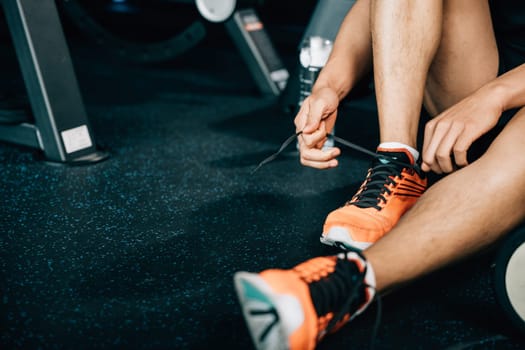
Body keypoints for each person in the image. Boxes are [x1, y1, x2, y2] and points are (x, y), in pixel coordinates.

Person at [233, 0, 525, 349]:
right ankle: (397, 164)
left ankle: (337, 288)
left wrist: (494, 96)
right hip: (477, 74)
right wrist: (329, 86)